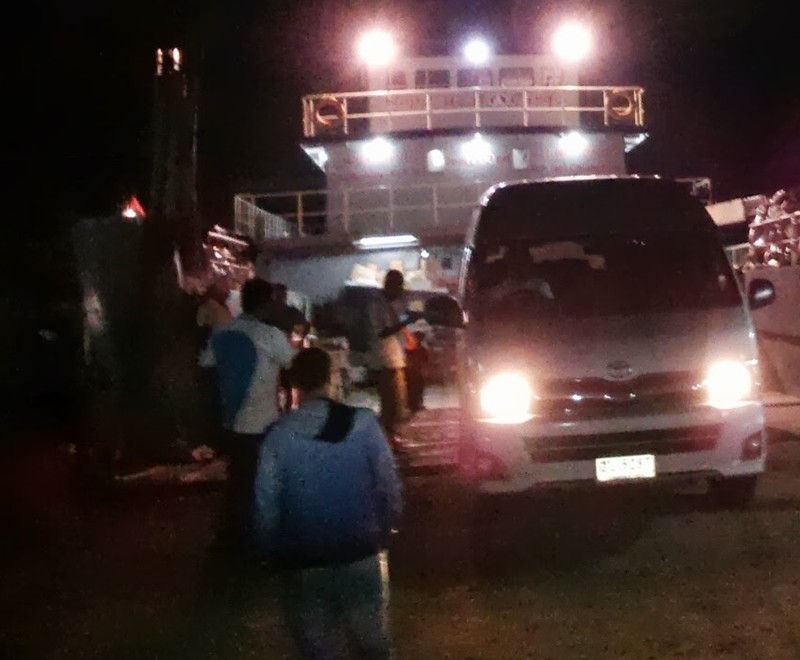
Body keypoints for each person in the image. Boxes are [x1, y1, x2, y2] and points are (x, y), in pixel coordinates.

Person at [253, 347, 403, 660]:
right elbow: (388, 482)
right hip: (360, 547)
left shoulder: (278, 436)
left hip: (303, 557)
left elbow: (266, 503)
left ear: (295, 384)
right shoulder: (363, 424)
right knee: (373, 643)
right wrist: (389, 525)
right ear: (331, 379)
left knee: (317, 647)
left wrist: (269, 549)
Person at [199, 277, 296, 555]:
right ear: (266, 304)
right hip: (261, 422)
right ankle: (258, 538)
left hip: (230, 422)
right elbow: (294, 364)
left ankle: (231, 534)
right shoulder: (270, 335)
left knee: (239, 478)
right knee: (262, 481)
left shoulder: (223, 332)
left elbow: (206, 367)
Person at [368, 270, 423, 441]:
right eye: (398, 287)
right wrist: (406, 322)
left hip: (397, 357)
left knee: (400, 402)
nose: (400, 291)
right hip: (385, 359)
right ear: (389, 285)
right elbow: (383, 332)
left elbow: (400, 327)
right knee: (390, 401)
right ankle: (386, 437)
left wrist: (411, 329)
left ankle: (391, 434)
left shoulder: (395, 303)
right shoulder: (376, 305)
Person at [404, 329, 429, 413]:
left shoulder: (414, 349)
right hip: (415, 372)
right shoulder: (418, 349)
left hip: (415, 372)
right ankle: (415, 404)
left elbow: (425, 361)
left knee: (416, 389)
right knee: (416, 389)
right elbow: (426, 361)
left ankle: (415, 404)